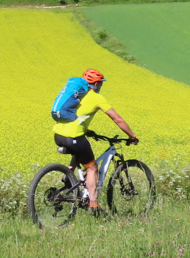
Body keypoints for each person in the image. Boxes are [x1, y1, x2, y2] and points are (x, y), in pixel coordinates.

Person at [52, 68, 137, 213]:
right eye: (100, 84)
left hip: (59, 135)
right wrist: (132, 136)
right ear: (96, 84)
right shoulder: (97, 98)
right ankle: (93, 205)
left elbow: (77, 116)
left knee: (81, 149)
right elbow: (117, 119)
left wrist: (88, 131)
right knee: (92, 168)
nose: (101, 86)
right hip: (74, 136)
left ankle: (68, 176)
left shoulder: (78, 95)